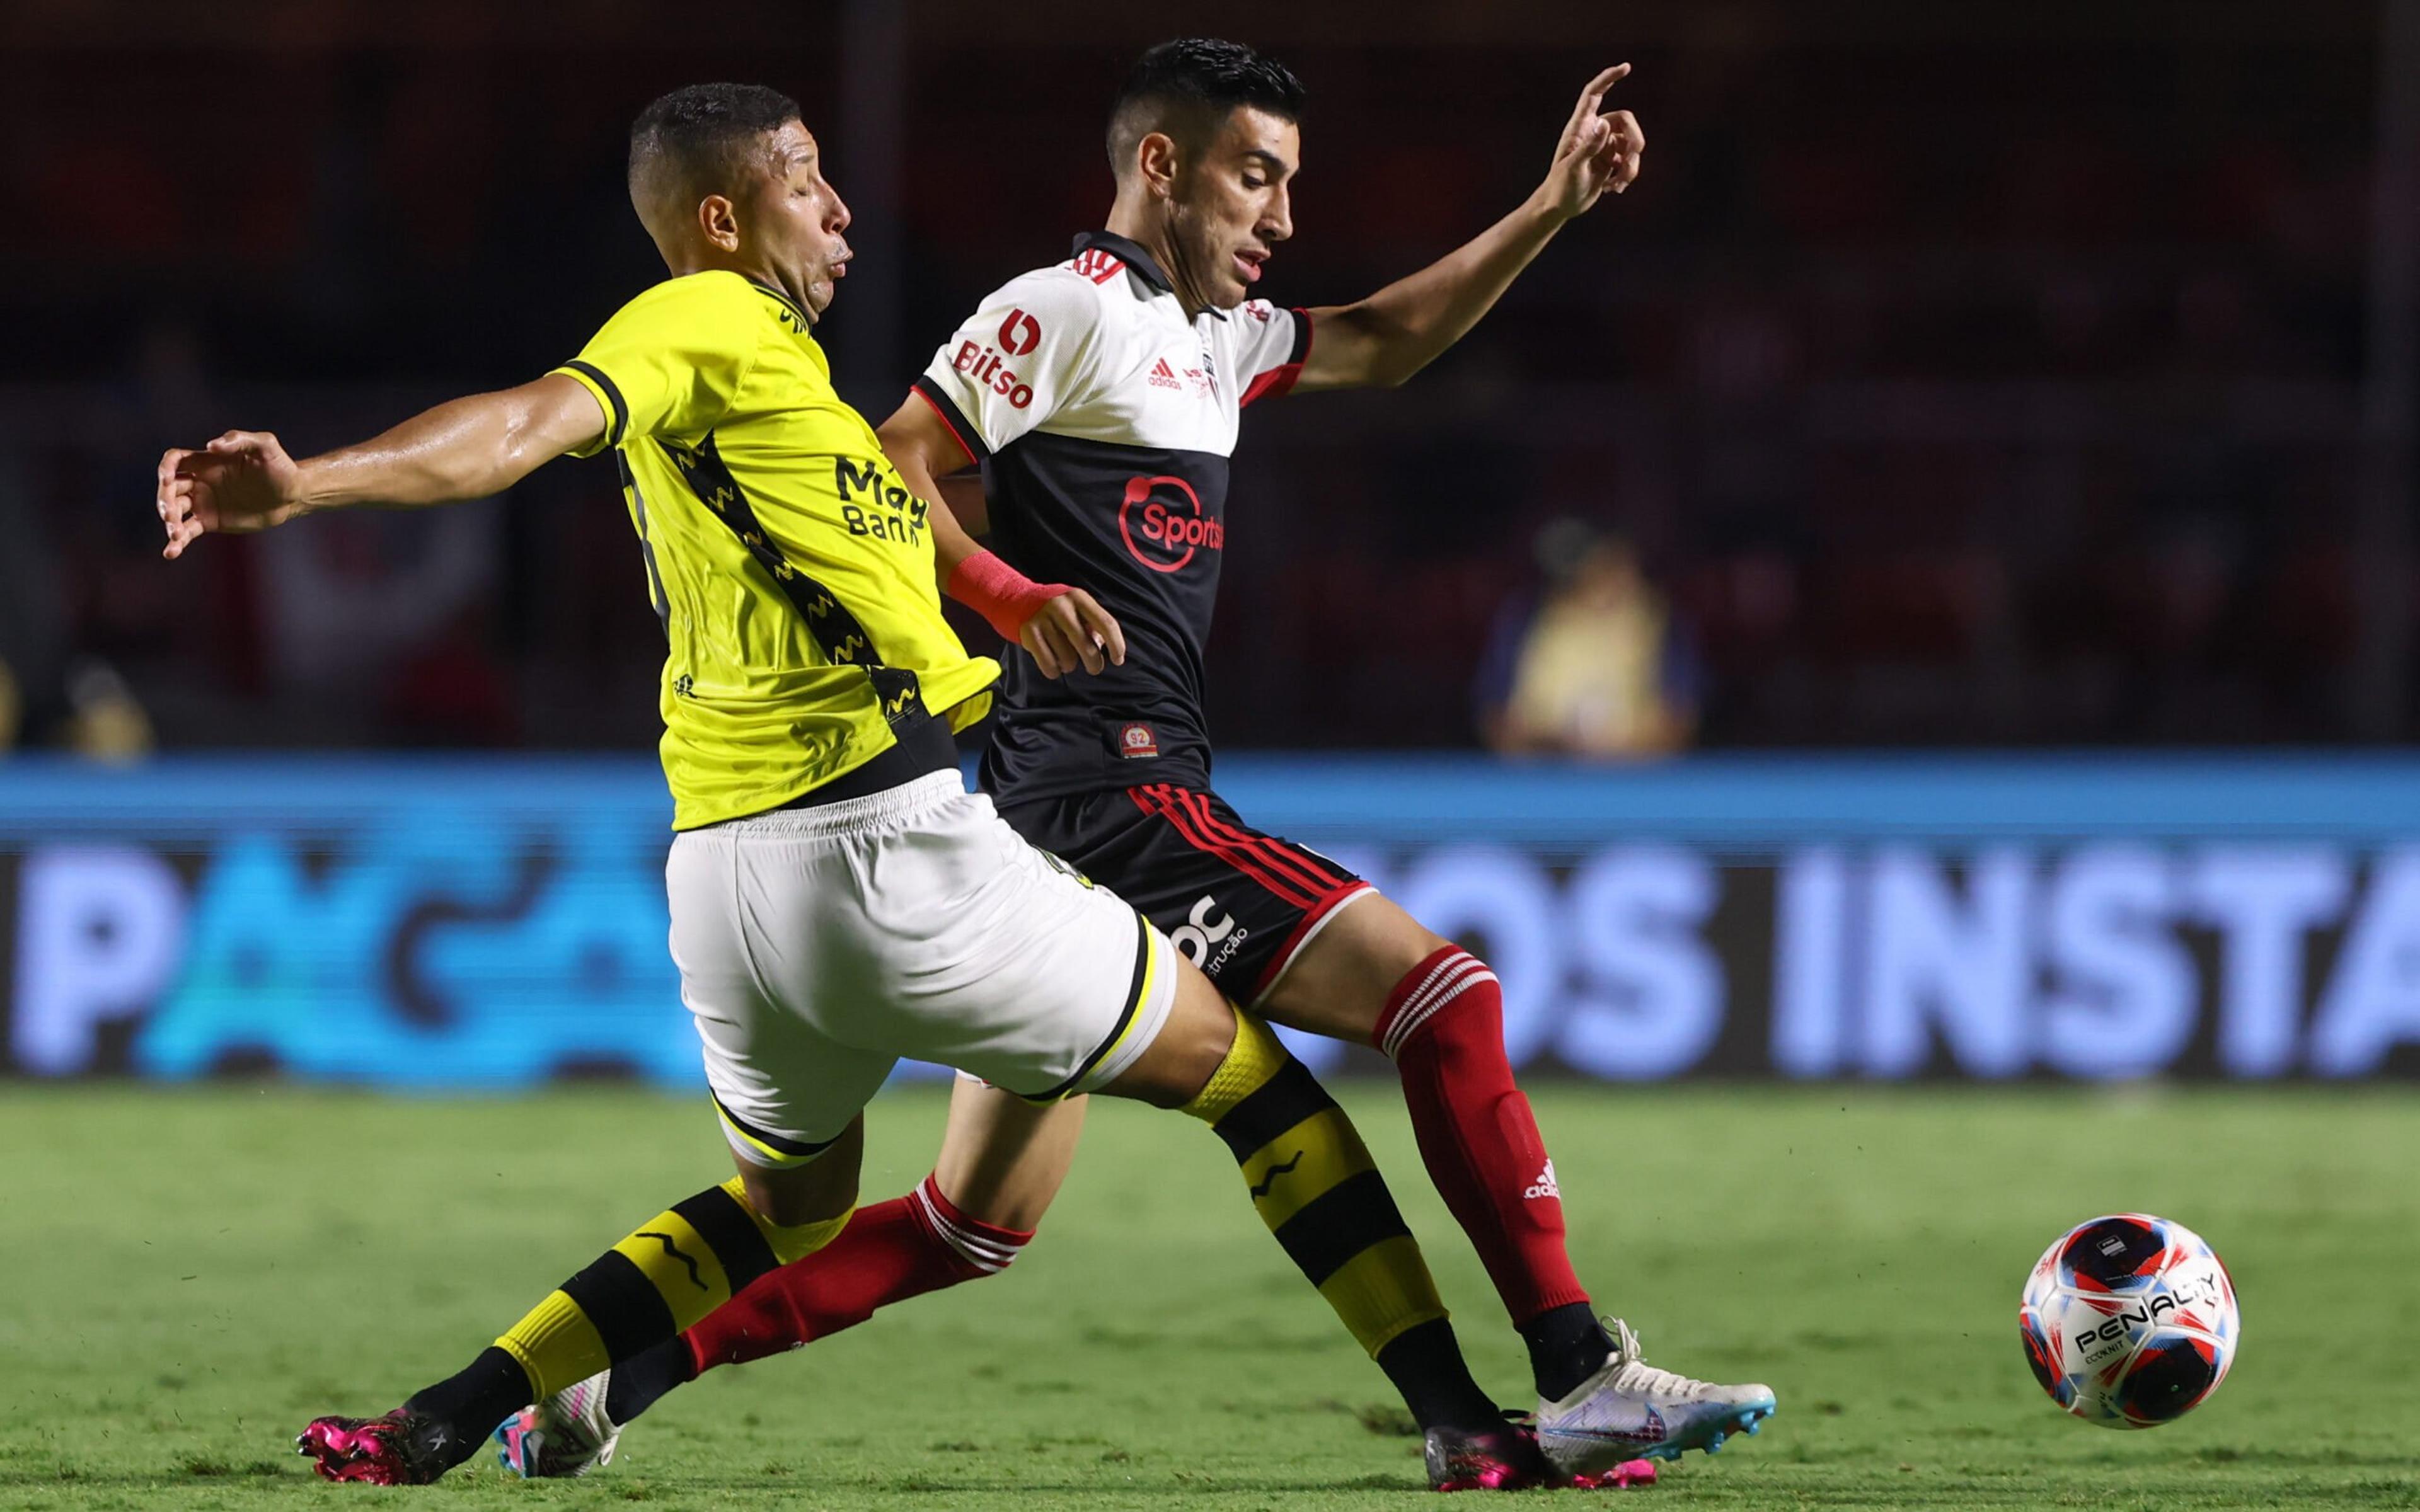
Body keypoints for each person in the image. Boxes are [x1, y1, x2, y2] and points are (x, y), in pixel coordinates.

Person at [154, 83, 1504, 1490]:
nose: (843, 206)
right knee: (1254, 1083)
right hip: (887, 845)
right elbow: (523, 423)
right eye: (807, 183)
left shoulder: (788, 393)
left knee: (786, 1208)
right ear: (724, 220)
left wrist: (1005, 589)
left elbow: (883, 534)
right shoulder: (702, 320)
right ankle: (1465, 1418)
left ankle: (444, 1411)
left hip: (731, 888)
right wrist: (308, 485)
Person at [519, 40, 1773, 1490]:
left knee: (962, 1225)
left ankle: (608, 1388)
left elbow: (1383, 336)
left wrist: (1550, 202)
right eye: (1255, 177)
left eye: (1291, 186)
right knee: (1444, 993)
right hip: (1104, 792)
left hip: (1061, 812)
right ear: (1158, 166)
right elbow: (896, 450)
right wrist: (1005, 588)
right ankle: (1576, 1368)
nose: (1280, 218)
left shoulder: (1214, 340)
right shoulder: (1059, 311)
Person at [1477, 519, 1700, 759]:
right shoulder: (1526, 619)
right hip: (1544, 775)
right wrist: (1546, 744)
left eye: (1609, 566)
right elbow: (1496, 719)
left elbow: (1679, 722)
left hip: (1635, 777)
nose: (1596, 581)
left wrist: (1621, 749)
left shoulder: (1660, 622)